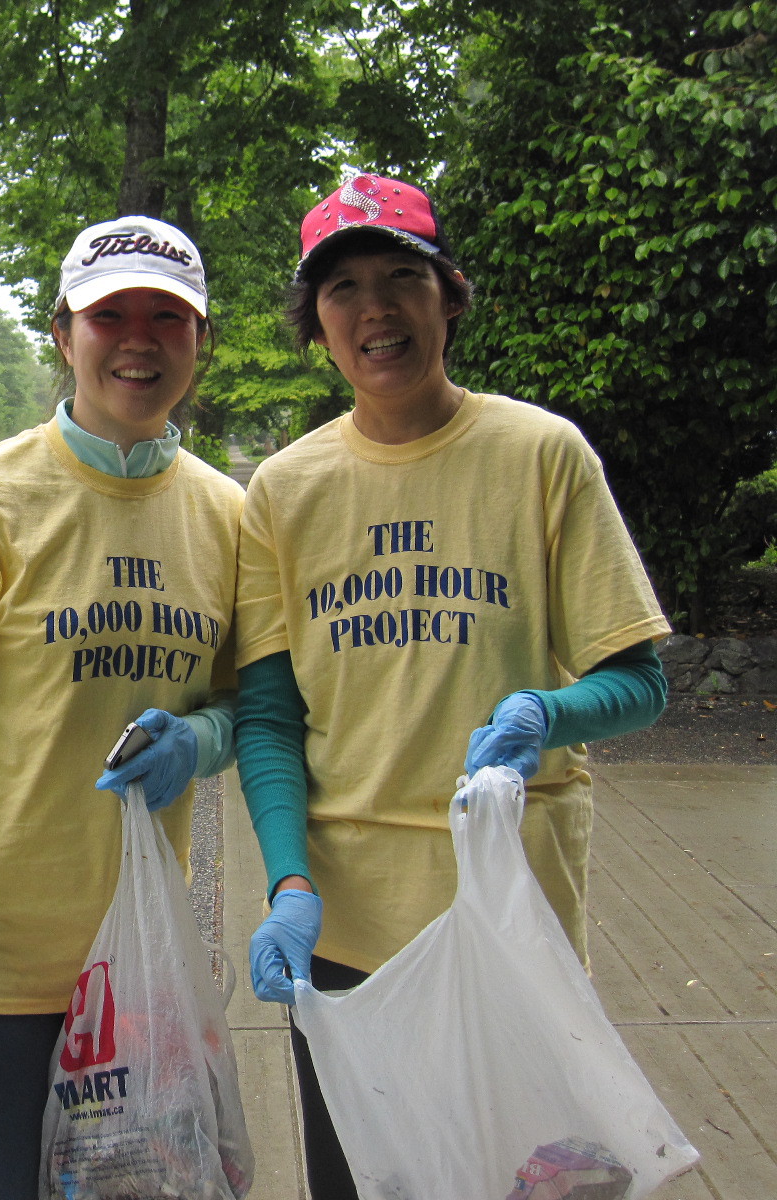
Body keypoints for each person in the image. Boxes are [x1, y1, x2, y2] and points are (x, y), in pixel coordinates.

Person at [233, 173, 670, 1199]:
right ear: (317, 326)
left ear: (450, 295)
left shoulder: (539, 456)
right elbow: (266, 719)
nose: (373, 308)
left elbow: (639, 680)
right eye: (341, 290)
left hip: (511, 920)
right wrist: (288, 882)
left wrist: (547, 712)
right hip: (342, 938)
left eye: (401, 277)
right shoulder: (283, 492)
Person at [0, 215, 246, 1199]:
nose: (140, 339)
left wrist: (199, 739)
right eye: (111, 315)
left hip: (136, 968)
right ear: (64, 335)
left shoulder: (230, 517)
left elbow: (252, 709)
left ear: (200, 342)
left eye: (168, 317)